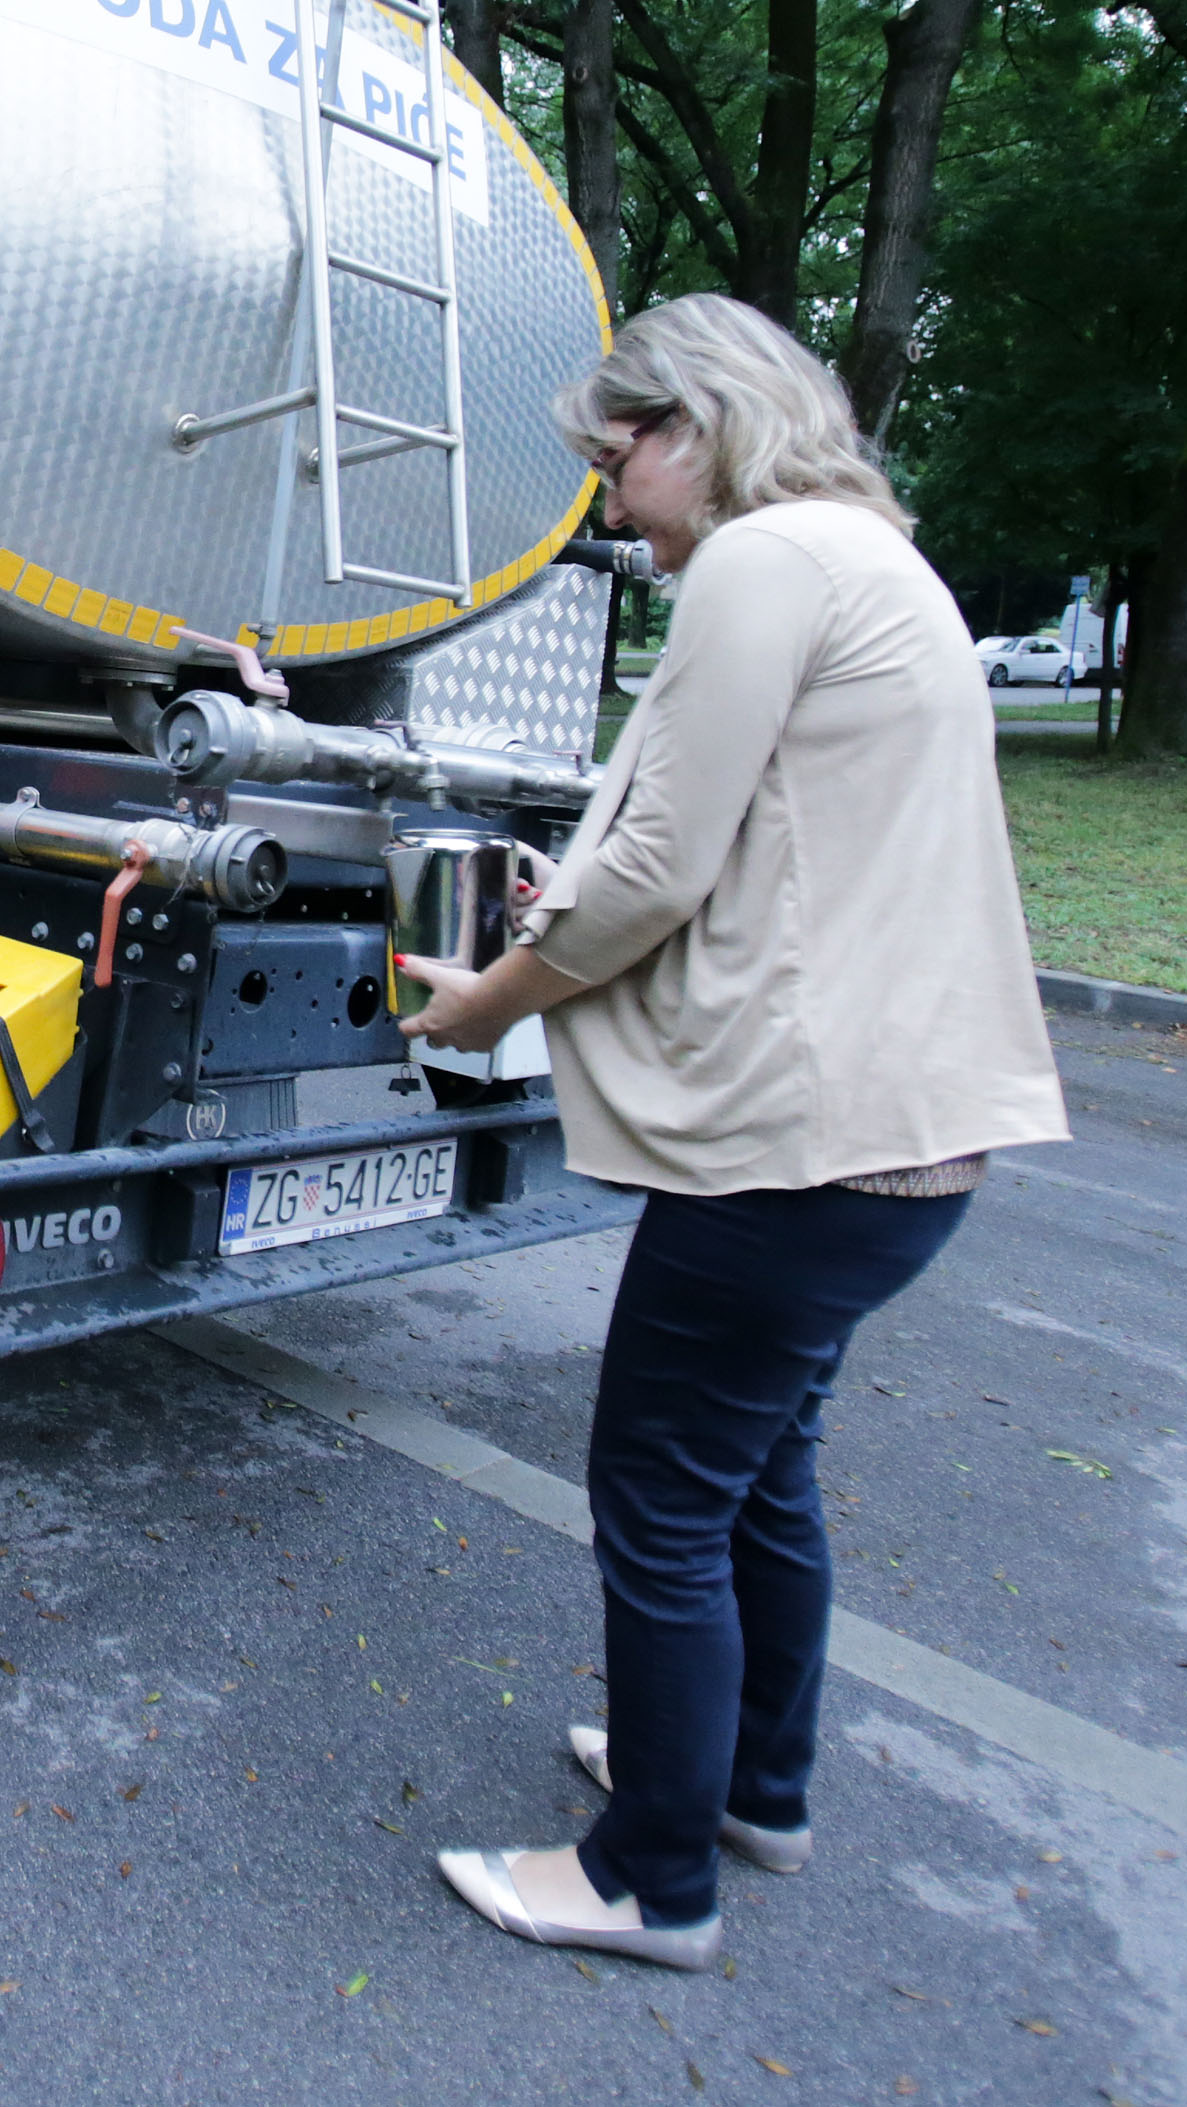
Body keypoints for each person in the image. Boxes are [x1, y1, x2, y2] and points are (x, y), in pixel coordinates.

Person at [400, 294, 1069, 1973]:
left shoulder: (765, 565)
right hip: (906, 1143)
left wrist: (491, 998)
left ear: (694, 424)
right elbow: (783, 844)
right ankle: (751, 1786)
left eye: (615, 460)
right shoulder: (878, 566)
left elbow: (659, 867)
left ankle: (646, 1877)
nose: (614, 504)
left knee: (663, 1496)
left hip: (796, 1147)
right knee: (762, 1474)